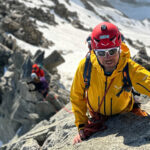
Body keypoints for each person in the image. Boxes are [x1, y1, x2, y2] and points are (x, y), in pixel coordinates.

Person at [70, 22, 150, 144]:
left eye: (112, 51)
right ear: (94, 52)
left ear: (119, 48)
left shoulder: (129, 68)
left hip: (127, 113)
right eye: (101, 53)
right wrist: (82, 125)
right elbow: (76, 96)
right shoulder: (85, 67)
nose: (108, 57)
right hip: (98, 117)